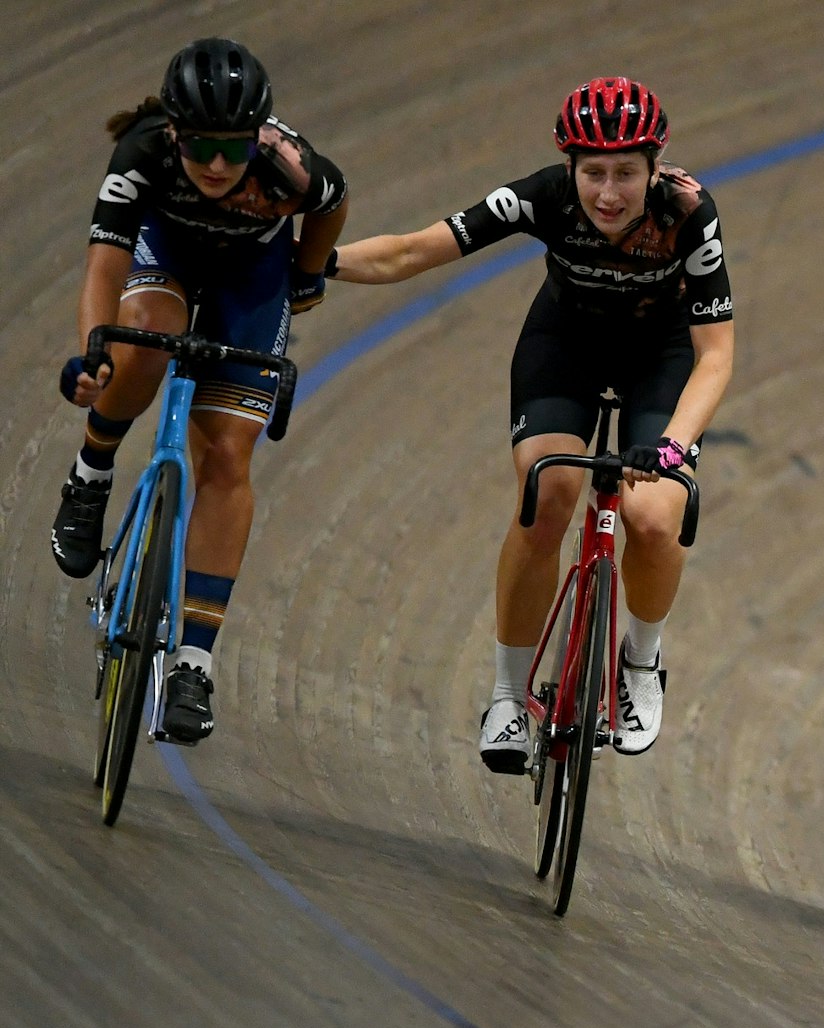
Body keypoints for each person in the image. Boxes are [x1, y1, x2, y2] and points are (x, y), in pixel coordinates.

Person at [329, 77, 733, 768]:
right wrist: (316, 265)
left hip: (658, 358)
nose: (608, 193)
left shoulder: (688, 213)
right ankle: (510, 698)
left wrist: (670, 448)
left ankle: (641, 661)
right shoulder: (539, 197)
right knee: (545, 499)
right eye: (594, 173)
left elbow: (716, 355)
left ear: (654, 168)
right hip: (566, 344)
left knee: (655, 517)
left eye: (626, 174)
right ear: (569, 167)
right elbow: (410, 251)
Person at [51, 37, 348, 742]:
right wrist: (94, 355)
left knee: (226, 457)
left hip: (252, 276)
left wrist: (305, 275)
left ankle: (192, 663)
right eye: (203, 146)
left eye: (235, 148)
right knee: (145, 335)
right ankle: (90, 475)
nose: (218, 164)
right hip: (169, 253)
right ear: (175, 132)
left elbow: (334, 204)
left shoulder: (293, 169)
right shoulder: (142, 154)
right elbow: (103, 272)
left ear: (259, 138)